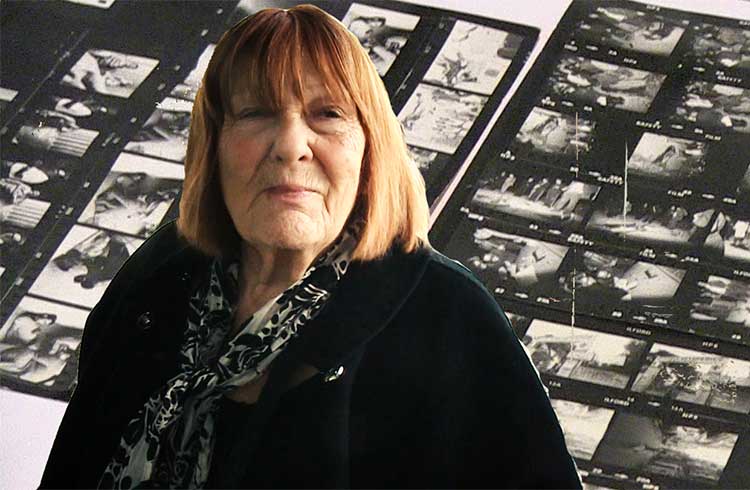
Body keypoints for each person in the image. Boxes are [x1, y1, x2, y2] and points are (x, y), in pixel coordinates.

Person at [40, 5, 580, 489]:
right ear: (215, 142)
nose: (291, 146)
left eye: (327, 115)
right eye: (256, 112)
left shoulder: (446, 314)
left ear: (370, 148)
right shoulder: (155, 283)